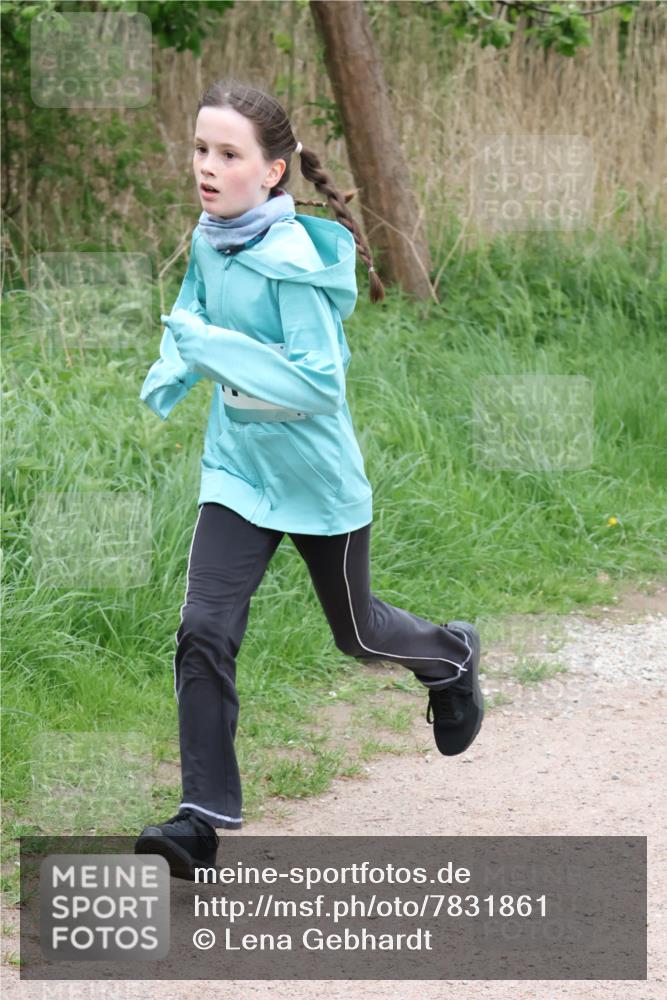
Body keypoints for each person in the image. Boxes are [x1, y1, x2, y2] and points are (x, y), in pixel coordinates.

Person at [134, 79, 483, 881]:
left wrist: (206, 348)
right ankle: (201, 821)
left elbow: (315, 382)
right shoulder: (206, 239)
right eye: (200, 150)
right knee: (204, 630)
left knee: (355, 634)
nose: (207, 167)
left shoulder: (293, 261)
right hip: (237, 473)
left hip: (318, 482)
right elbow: (191, 318)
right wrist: (171, 370)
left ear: (274, 172)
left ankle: (451, 656)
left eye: (228, 154)